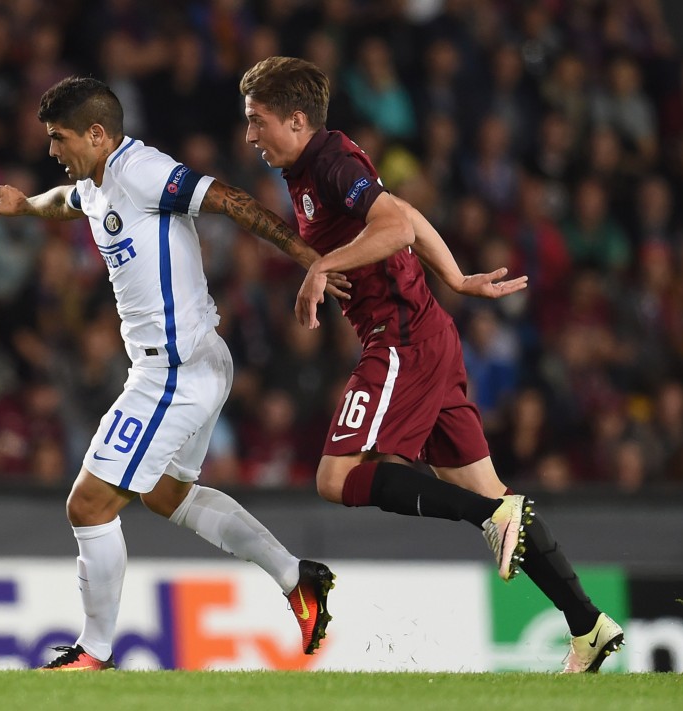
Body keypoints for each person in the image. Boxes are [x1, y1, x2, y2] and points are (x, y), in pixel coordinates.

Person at [239, 56, 624, 674]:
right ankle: (589, 625)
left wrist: (321, 266)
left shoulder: (331, 162)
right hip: (428, 334)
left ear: (296, 119)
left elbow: (394, 226)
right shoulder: (318, 164)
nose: (250, 136)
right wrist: (457, 278)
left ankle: (491, 520)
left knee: (337, 479)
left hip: (400, 339)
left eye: (257, 122)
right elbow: (407, 215)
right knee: (490, 492)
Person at [0, 77, 343, 671]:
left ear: (97, 135)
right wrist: (27, 204)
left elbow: (230, 200)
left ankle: (93, 655)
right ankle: (295, 578)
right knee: (165, 495)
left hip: (173, 372)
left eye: (59, 138)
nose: (52, 151)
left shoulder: (142, 171)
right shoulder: (94, 184)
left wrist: (312, 259)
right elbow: (66, 202)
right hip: (195, 362)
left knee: (88, 505)